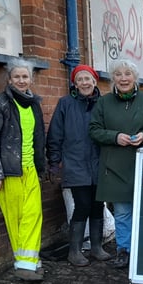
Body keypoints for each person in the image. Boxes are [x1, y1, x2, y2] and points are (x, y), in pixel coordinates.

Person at [0, 59, 46, 281]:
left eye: (25, 76)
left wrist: (41, 166)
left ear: (31, 79)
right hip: (9, 172)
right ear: (9, 79)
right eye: (17, 76)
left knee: (33, 215)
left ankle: (28, 261)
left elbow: (38, 139)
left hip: (30, 169)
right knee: (16, 218)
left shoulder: (34, 104)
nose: (21, 80)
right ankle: (27, 265)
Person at [89, 59, 143, 268]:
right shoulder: (104, 102)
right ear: (113, 79)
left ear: (135, 77)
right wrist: (115, 137)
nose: (123, 78)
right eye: (118, 74)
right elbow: (93, 130)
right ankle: (124, 250)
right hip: (115, 166)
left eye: (127, 74)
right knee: (122, 213)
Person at [46, 64, 112, 267]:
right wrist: (54, 161)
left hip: (99, 161)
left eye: (88, 79)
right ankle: (74, 251)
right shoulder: (65, 103)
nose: (84, 83)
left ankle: (96, 247)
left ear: (94, 81)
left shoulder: (103, 103)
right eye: (80, 79)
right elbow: (55, 134)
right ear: (74, 83)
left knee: (98, 205)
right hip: (75, 162)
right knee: (82, 205)